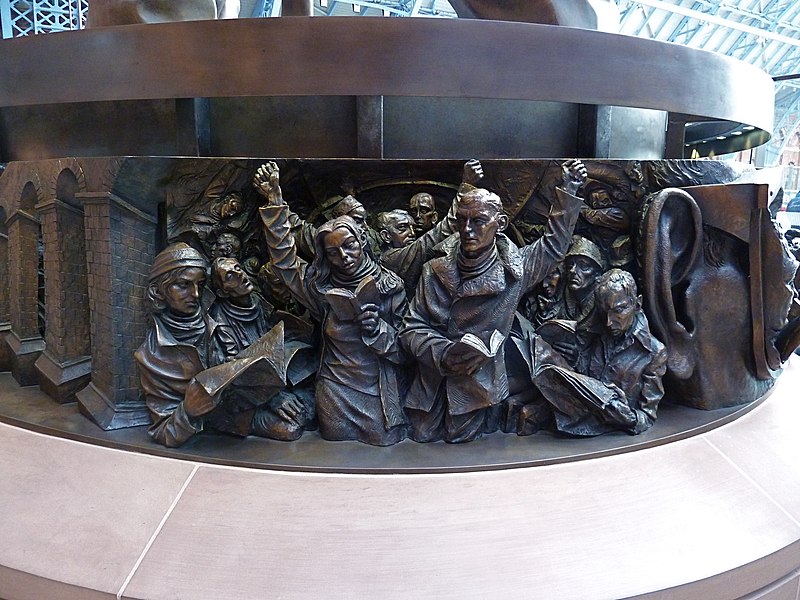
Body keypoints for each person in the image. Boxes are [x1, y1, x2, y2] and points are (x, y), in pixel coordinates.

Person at [399, 160, 586, 443]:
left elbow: (554, 244)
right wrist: (442, 352)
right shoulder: (434, 269)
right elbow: (411, 328)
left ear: (500, 225)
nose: (467, 229)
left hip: (476, 387)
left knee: (461, 446)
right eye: (461, 220)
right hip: (431, 381)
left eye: (478, 221)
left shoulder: (516, 269)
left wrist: (569, 189)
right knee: (420, 438)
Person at [255, 162, 408, 446]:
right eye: (333, 252)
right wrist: (275, 202)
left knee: (383, 446)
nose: (344, 257)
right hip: (335, 389)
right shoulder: (320, 287)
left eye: (348, 245)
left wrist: (378, 330)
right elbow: (285, 262)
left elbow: (406, 349)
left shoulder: (390, 286)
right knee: (334, 449)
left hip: (378, 390)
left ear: (362, 239)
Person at [135, 243, 306, 447]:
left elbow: (257, 361)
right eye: (183, 285)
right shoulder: (152, 355)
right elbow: (164, 431)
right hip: (225, 417)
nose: (196, 295)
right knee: (290, 428)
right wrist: (188, 410)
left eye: (199, 284)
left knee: (308, 405)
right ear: (159, 290)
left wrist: (273, 396)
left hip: (258, 396)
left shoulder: (217, 313)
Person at [535, 269, 667, 436]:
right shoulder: (598, 333)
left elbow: (646, 418)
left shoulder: (654, 353)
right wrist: (576, 360)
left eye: (619, 310)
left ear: (637, 303)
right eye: (604, 312)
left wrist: (628, 416)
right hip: (580, 415)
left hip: (610, 426)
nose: (609, 322)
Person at [377, 159, 484, 296]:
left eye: (423, 211)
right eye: (402, 228)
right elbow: (441, 232)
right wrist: (467, 186)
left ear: (434, 217)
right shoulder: (391, 258)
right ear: (386, 236)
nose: (411, 232)